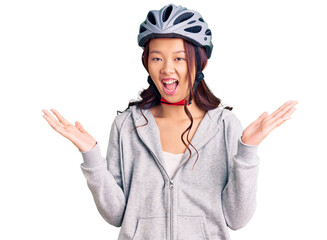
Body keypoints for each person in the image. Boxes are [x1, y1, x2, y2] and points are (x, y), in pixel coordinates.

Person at [42, 3, 298, 240]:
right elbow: (116, 215)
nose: (166, 69)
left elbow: (236, 219)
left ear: (199, 63)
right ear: (147, 63)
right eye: (157, 58)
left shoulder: (225, 125)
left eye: (179, 58)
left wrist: (247, 150)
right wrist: (92, 156)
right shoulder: (127, 126)